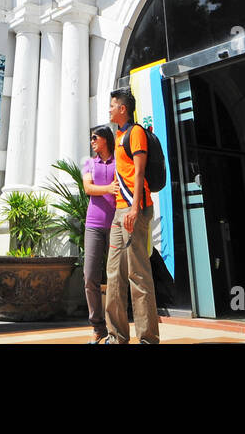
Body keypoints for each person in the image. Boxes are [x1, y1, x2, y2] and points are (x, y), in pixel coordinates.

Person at [104, 88, 160, 344]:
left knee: (137, 274)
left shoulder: (136, 133)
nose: (110, 109)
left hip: (134, 208)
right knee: (114, 273)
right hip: (119, 211)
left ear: (123, 109)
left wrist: (135, 208)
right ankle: (116, 335)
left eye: (112, 106)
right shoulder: (118, 135)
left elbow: (138, 173)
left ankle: (148, 338)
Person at [82, 125, 119, 343]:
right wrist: (107, 188)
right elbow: (88, 188)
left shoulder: (119, 160)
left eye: (95, 137)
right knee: (90, 277)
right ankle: (98, 327)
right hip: (93, 224)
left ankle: (115, 328)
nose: (92, 141)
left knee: (115, 277)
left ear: (105, 139)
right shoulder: (88, 162)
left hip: (116, 224)